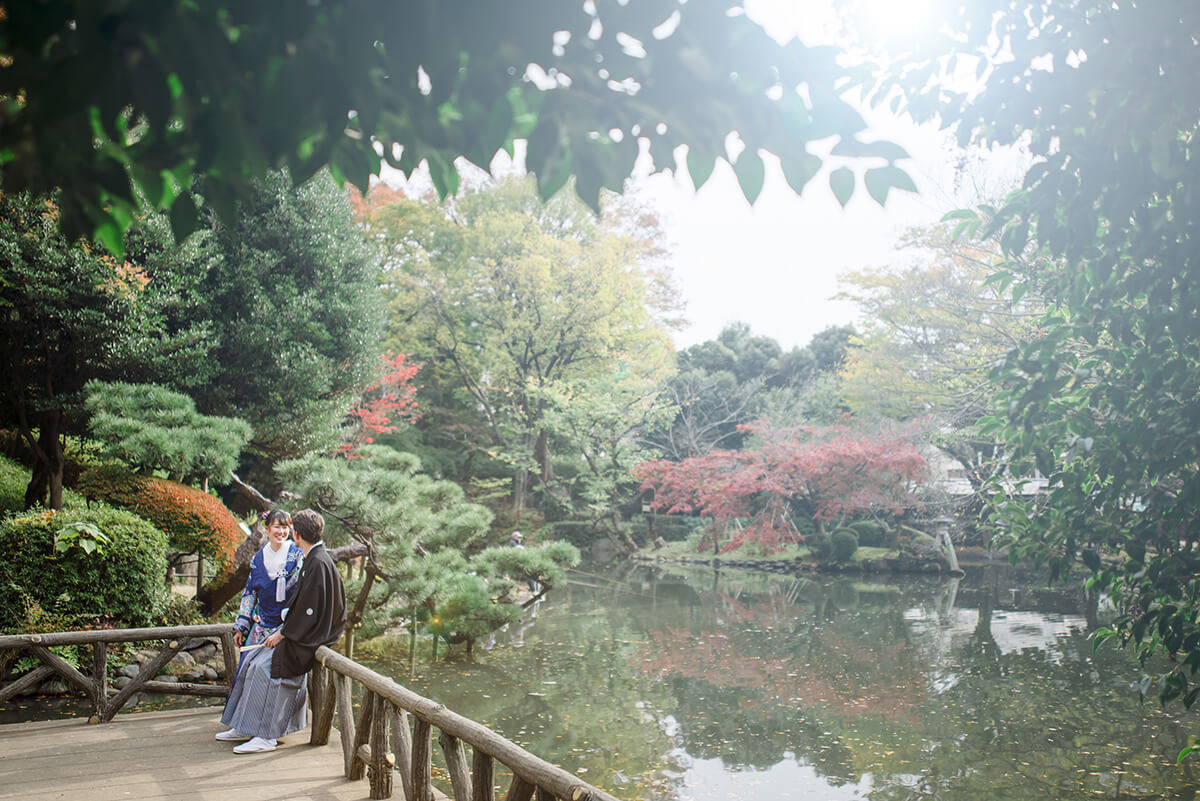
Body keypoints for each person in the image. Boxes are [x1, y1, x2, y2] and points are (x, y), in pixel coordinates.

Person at [217, 509, 346, 754]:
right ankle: (244, 726)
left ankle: (266, 734)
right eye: (276, 526)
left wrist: (284, 631)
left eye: (286, 527)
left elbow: (308, 606)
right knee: (250, 664)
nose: (282, 532)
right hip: (278, 625)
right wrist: (243, 623)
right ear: (267, 529)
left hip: (300, 633)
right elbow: (251, 594)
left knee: (266, 671)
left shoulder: (309, 559)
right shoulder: (275, 558)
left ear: (295, 533)